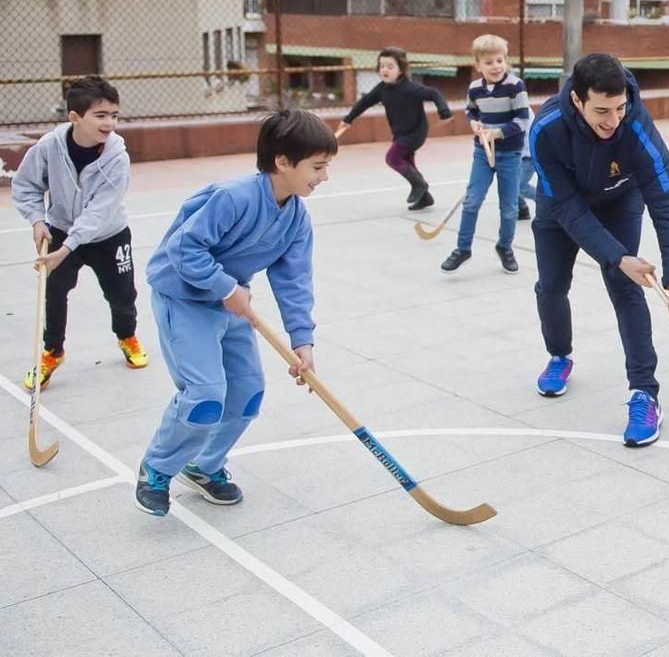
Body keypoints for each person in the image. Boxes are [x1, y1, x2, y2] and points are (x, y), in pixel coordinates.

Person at [134, 110, 337, 517]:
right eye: (317, 166)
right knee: (205, 395)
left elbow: (294, 281)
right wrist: (225, 287)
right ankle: (157, 469)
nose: (324, 176)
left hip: (232, 303)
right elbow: (183, 249)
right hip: (185, 300)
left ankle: (204, 466)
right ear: (282, 161)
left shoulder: (296, 218)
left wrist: (303, 340)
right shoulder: (233, 197)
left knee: (246, 393)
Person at [528, 53, 669, 447]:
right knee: (551, 286)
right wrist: (616, 256)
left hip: (620, 199)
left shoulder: (635, 123)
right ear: (577, 100)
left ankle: (644, 392)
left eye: (619, 107)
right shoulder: (546, 129)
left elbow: (667, 201)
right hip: (561, 208)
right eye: (601, 110)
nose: (612, 120)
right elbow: (567, 208)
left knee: (625, 289)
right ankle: (559, 356)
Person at [12, 75, 148, 390]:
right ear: (75, 118)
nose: (110, 123)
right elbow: (26, 185)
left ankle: (127, 336)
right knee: (54, 293)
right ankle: (52, 351)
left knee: (122, 294)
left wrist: (67, 248)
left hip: (108, 235)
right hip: (60, 230)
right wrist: (37, 220)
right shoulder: (48, 147)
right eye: (100, 115)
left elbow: (100, 211)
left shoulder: (117, 157)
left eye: (114, 115)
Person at [441, 34, 531, 275]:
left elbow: (523, 119)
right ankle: (463, 248)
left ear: (506, 60)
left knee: (509, 207)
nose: (495, 66)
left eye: (499, 60)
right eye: (489, 62)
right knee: (472, 200)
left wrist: (498, 133)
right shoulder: (475, 89)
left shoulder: (515, 86)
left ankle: (505, 247)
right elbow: (471, 111)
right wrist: (474, 124)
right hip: (482, 152)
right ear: (478, 65)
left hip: (510, 154)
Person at [336, 47, 451, 210]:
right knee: (408, 163)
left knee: (393, 158)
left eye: (390, 66)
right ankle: (425, 197)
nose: (385, 70)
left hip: (415, 132)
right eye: (382, 66)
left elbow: (433, 93)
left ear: (401, 69)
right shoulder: (382, 88)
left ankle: (420, 185)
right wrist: (348, 119)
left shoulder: (410, 88)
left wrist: (443, 111)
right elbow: (365, 101)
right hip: (400, 133)